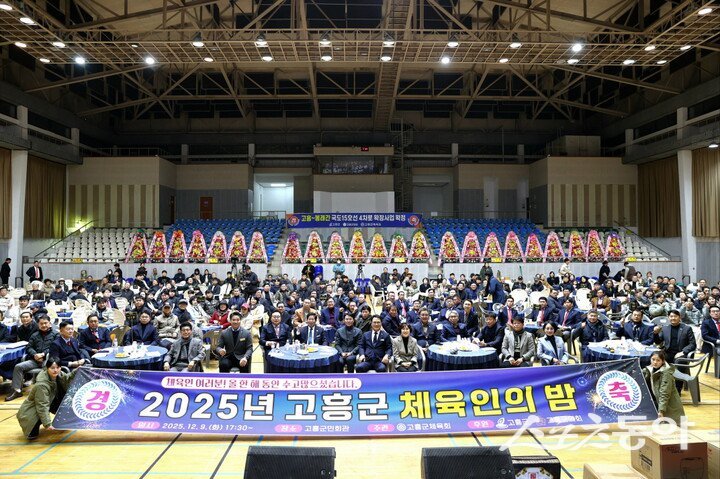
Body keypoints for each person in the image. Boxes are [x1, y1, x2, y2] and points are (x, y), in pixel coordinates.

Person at [16, 357, 76, 440]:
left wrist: (77, 371)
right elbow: (42, 405)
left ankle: (62, 419)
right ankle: (34, 424)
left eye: (58, 367)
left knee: (66, 397)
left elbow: (67, 379)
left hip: (49, 402)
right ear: (47, 368)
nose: (55, 370)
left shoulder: (60, 374)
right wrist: (47, 424)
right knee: (32, 435)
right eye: (52, 368)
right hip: (30, 413)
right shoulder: (41, 385)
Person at [6, 315, 56, 402]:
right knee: (18, 366)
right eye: (41, 324)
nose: (44, 325)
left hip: (49, 361)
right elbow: (29, 347)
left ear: (50, 323)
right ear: (38, 324)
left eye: (45, 323)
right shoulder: (35, 335)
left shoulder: (55, 334)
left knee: (47, 366)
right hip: (35, 360)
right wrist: (35, 355)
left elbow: (54, 347)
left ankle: (45, 391)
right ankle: (17, 390)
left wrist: (43, 354)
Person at [642, 351, 685, 424]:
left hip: (668, 409)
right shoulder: (649, 369)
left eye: (658, 360)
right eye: (653, 359)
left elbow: (664, 393)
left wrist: (661, 411)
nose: (655, 362)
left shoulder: (666, 373)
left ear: (663, 361)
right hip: (658, 402)